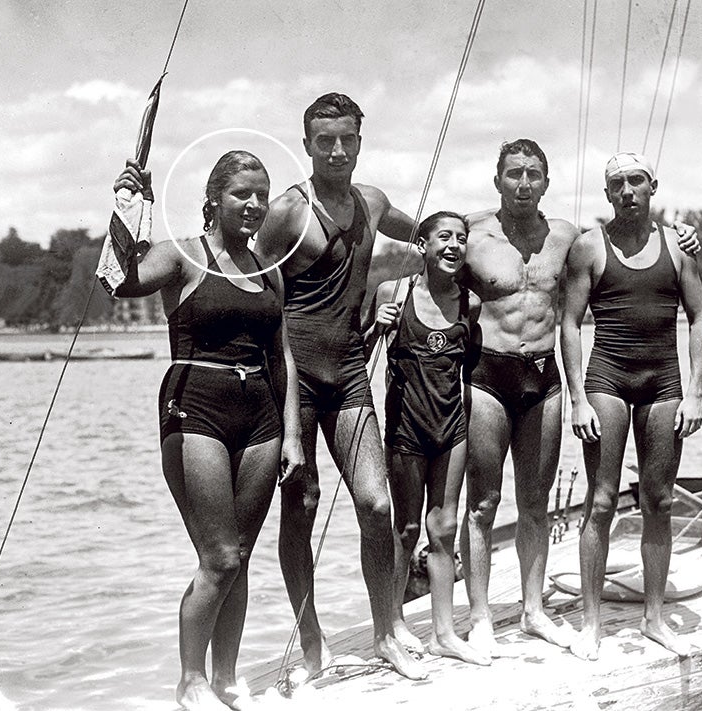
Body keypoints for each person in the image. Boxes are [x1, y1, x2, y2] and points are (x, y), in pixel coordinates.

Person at [459, 139, 701, 657]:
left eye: (534, 174)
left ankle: (533, 611)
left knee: (535, 503)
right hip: (487, 375)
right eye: (513, 174)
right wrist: (390, 309)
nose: (523, 183)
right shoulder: (469, 231)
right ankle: (480, 618)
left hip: (544, 376)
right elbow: (425, 266)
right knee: (483, 502)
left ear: (547, 182)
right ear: (496, 178)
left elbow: (632, 267)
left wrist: (687, 234)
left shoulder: (568, 237)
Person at [110, 152, 304, 709]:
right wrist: (130, 205)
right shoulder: (182, 257)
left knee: (239, 555)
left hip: (263, 416)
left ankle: (225, 678)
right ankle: (189, 681)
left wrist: (292, 433)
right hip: (195, 405)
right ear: (213, 200)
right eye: (243, 193)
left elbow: (281, 353)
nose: (255, 205)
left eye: (262, 195)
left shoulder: (269, 267)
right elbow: (119, 282)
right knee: (218, 556)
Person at [255, 93, 426, 680]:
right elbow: (253, 291)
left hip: (349, 368)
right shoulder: (286, 213)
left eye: (346, 139)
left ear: (360, 141)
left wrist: (469, 234)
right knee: (300, 508)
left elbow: (428, 231)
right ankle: (312, 644)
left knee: (376, 505)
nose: (336, 150)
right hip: (294, 377)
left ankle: (386, 632)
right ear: (305, 145)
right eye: (323, 140)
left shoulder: (372, 203)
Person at [560, 152, 702, 661]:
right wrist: (578, 399)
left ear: (653, 187)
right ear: (607, 194)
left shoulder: (679, 245)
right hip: (608, 378)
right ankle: (590, 625)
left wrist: (694, 392)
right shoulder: (588, 248)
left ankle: (653, 618)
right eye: (617, 184)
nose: (627, 191)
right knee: (600, 502)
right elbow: (570, 322)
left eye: (637, 182)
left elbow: (699, 318)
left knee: (660, 501)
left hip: (663, 381)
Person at [364, 211, 489, 667]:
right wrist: (376, 326)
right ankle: (393, 621)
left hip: (451, 426)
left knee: (445, 528)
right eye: (443, 237)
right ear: (423, 244)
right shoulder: (393, 292)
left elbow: (469, 368)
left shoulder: (468, 303)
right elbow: (359, 361)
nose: (453, 245)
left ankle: (443, 632)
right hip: (406, 429)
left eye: (461, 238)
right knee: (406, 528)